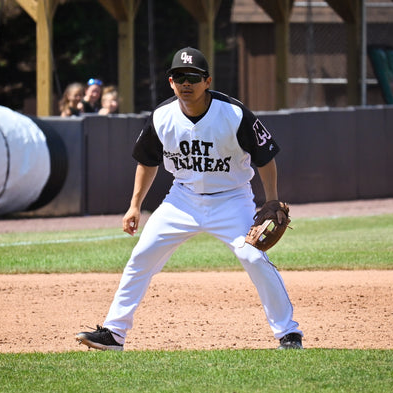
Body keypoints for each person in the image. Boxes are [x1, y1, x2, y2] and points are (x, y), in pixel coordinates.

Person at [76, 47, 303, 351]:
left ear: (207, 81)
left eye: (193, 77)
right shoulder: (162, 117)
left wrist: (271, 201)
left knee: (252, 256)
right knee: (142, 256)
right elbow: (147, 161)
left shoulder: (233, 114)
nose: (186, 83)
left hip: (231, 199)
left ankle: (288, 333)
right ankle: (114, 333)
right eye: (179, 76)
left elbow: (265, 157)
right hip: (182, 199)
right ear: (170, 82)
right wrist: (135, 205)